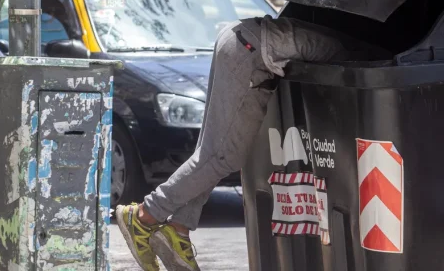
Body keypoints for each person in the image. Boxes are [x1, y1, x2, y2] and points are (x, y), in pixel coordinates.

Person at [116, 15, 389, 271]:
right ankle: (144, 215)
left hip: (240, 40)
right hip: (249, 51)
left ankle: (178, 228)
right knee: (223, 156)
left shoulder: (341, 35)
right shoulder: (349, 53)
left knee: (210, 152)